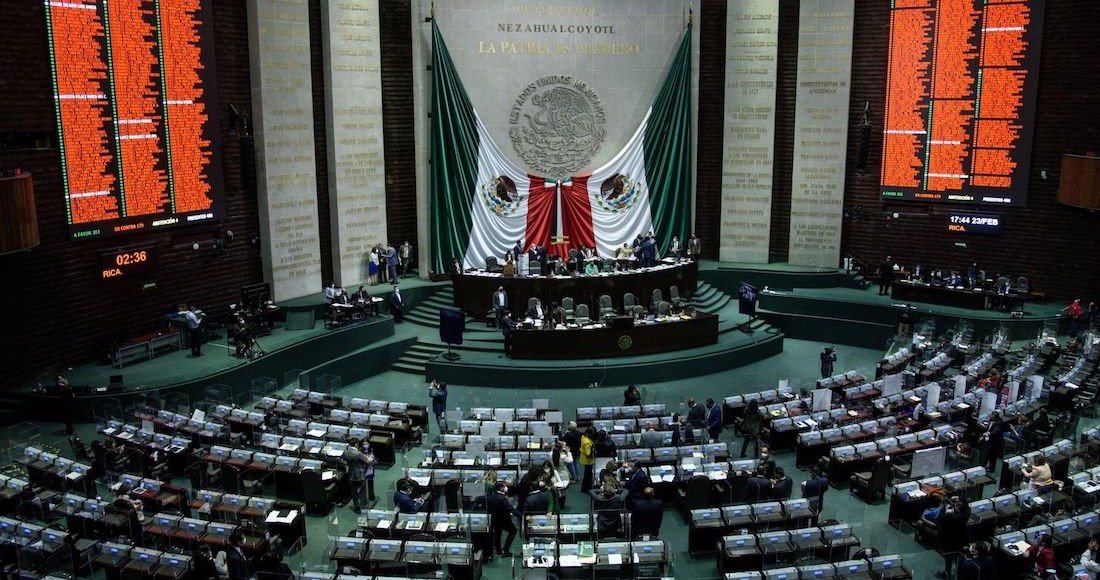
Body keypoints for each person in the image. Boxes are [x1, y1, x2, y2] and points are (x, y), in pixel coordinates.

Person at [936, 496, 971, 579]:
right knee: (958, 558)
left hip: (949, 540)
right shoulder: (966, 514)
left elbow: (940, 517)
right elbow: (965, 505)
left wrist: (945, 507)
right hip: (961, 540)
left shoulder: (951, 517)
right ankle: (958, 575)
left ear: (958, 508)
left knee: (949, 558)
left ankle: (947, 573)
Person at [487, 480, 518, 558]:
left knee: (498, 534)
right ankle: (506, 550)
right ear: (501, 488)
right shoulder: (502, 499)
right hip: (503, 519)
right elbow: (511, 509)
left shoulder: (492, 495)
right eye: (505, 486)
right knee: (513, 530)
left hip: (494, 519)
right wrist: (523, 516)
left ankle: (499, 551)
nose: (506, 487)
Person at [343, 438, 367, 513]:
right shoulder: (358, 454)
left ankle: (356, 505)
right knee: (362, 491)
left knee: (354, 492)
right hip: (360, 475)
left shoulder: (346, 452)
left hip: (351, 474)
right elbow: (366, 462)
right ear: (356, 444)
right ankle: (362, 506)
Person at [579, 426, 596, 493]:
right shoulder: (587, 442)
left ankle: (586, 488)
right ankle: (586, 489)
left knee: (587, 475)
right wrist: (593, 450)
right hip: (587, 460)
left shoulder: (583, 437)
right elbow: (588, 453)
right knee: (587, 475)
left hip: (584, 458)